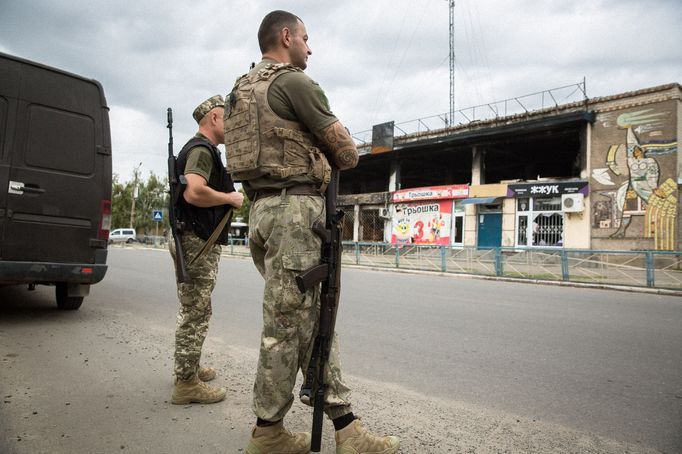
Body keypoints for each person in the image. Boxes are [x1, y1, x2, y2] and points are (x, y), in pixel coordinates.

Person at [224, 10, 400, 454]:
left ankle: (343, 427)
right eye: (305, 37)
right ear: (286, 37)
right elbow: (347, 152)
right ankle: (271, 432)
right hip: (295, 212)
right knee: (291, 323)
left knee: (304, 317)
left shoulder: (240, 90)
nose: (309, 46)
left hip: (263, 211)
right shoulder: (294, 83)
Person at [169, 95, 244, 405]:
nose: (231, 124)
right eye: (227, 117)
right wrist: (230, 199)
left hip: (193, 238)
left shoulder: (201, 149)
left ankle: (190, 367)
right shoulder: (201, 150)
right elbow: (194, 193)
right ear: (214, 118)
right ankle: (186, 383)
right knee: (196, 311)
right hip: (196, 240)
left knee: (196, 308)